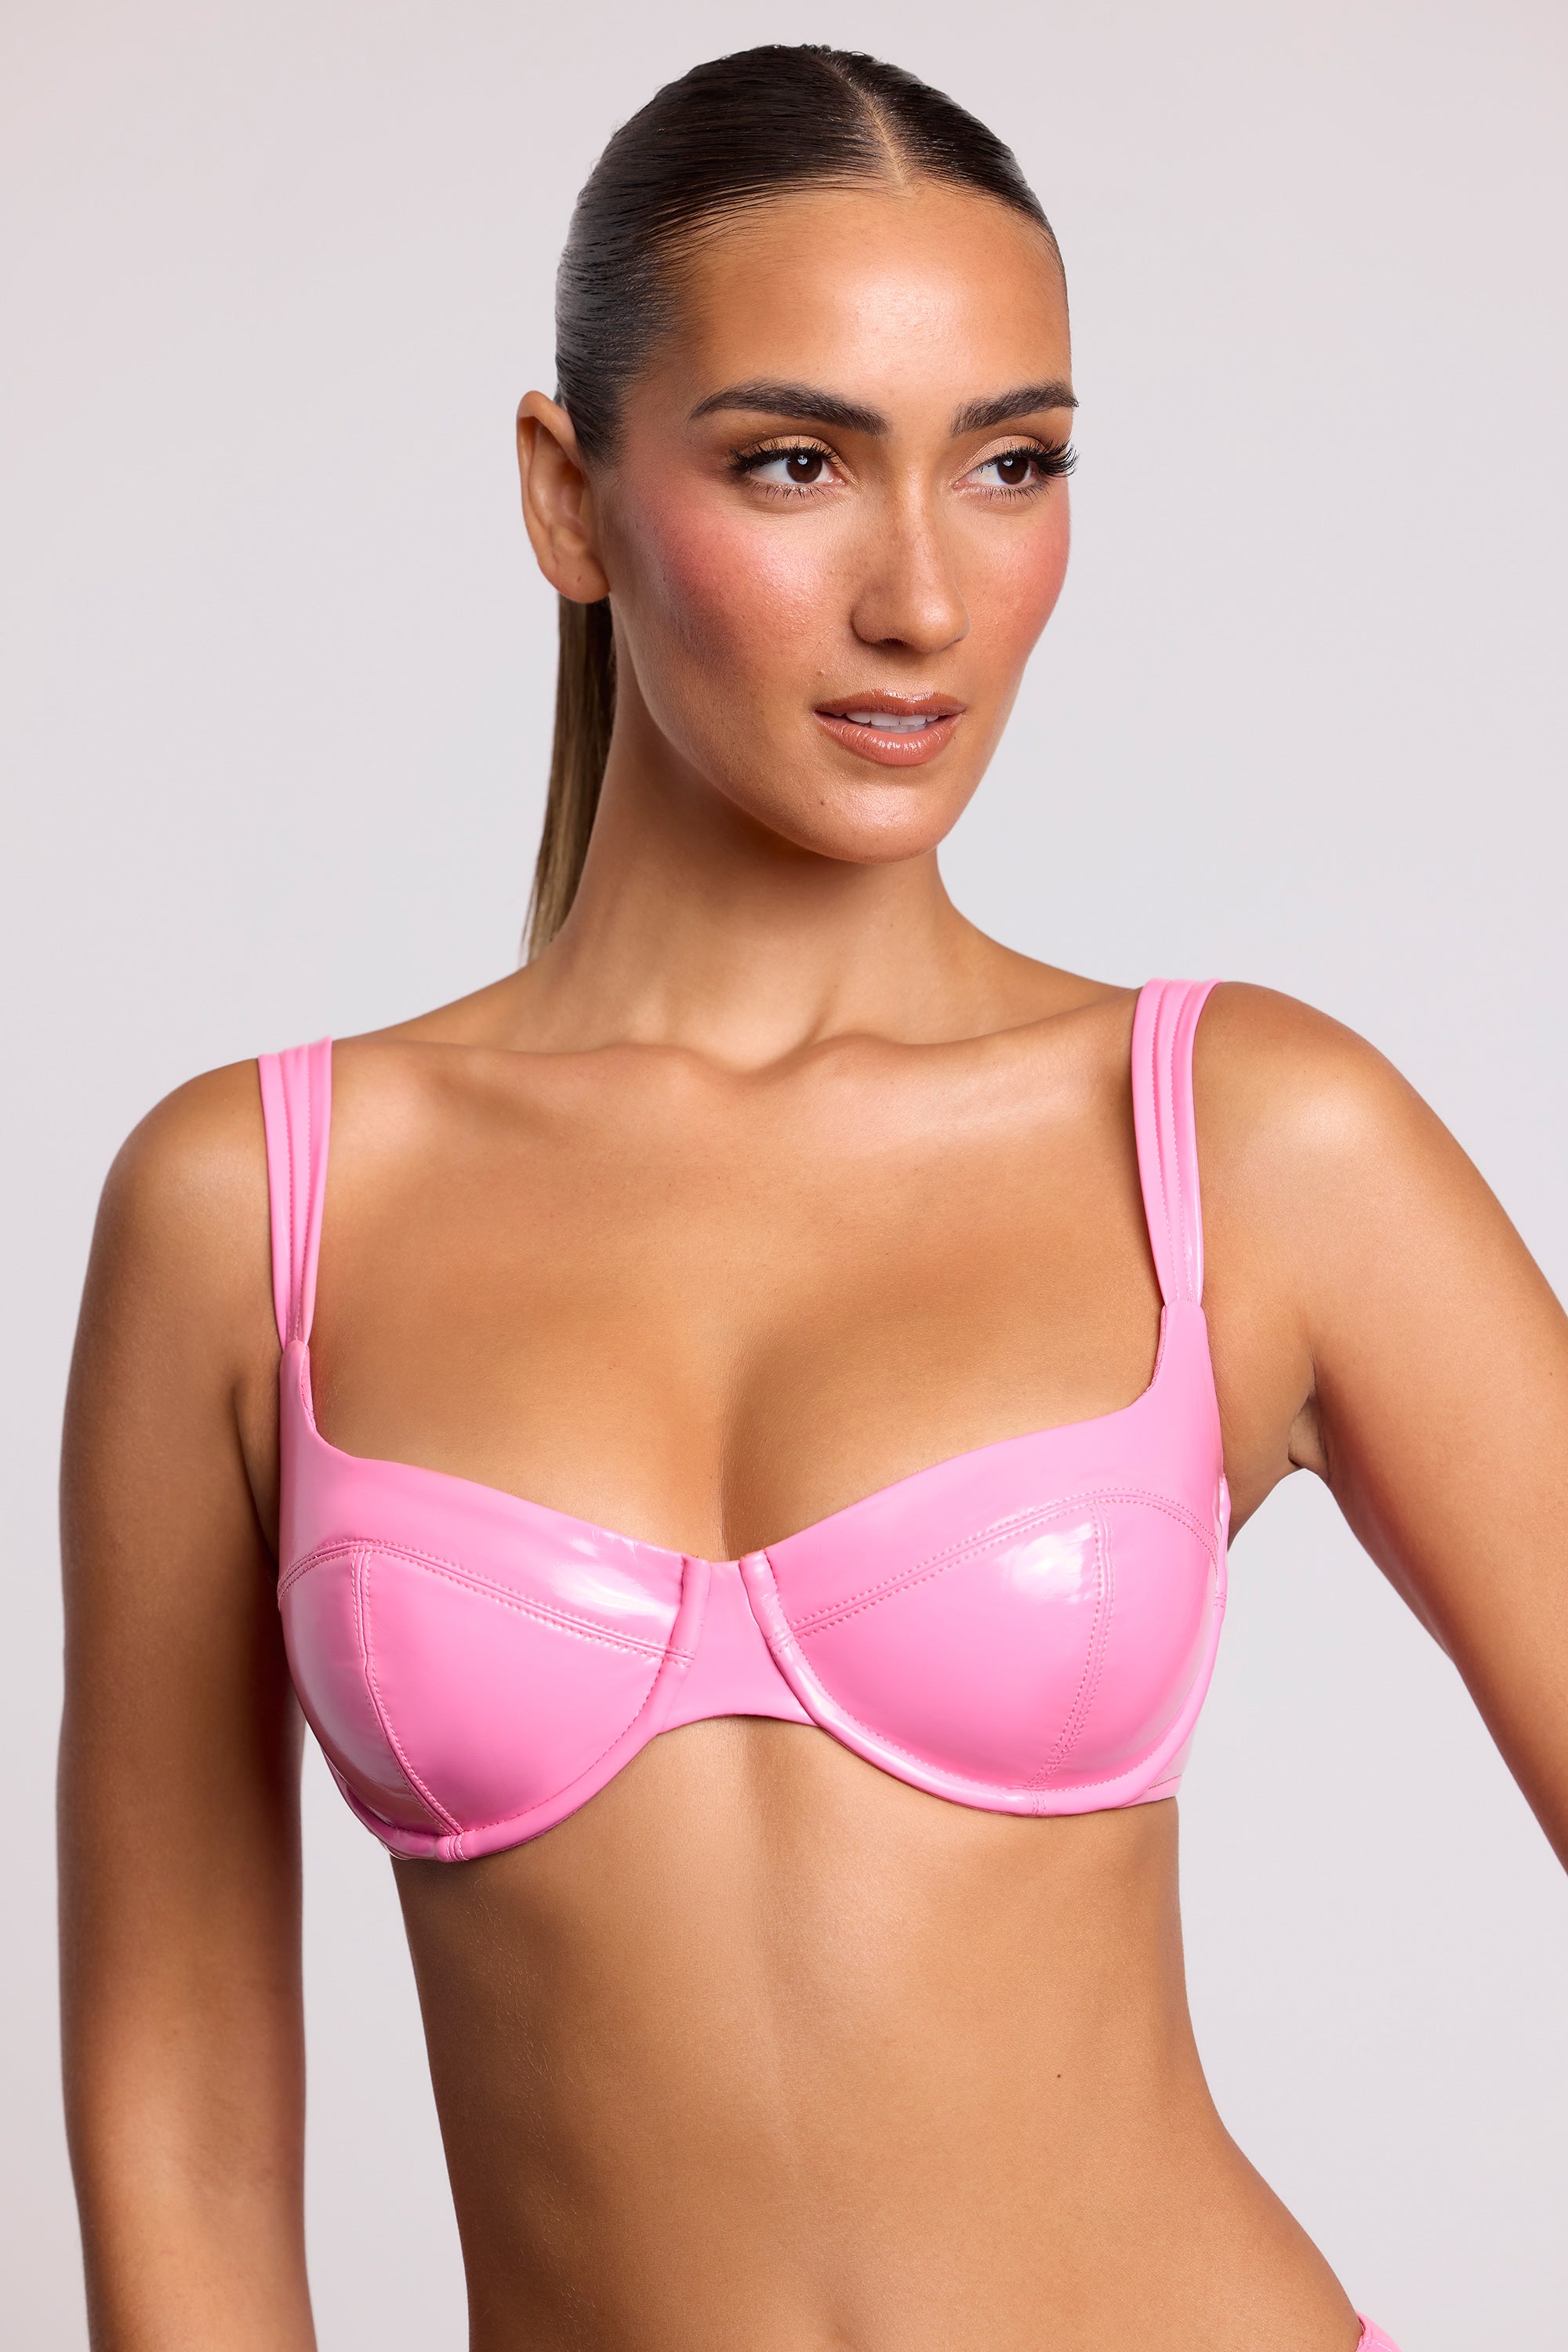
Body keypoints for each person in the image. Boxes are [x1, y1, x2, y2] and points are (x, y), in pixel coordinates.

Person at [57, 43, 1565, 2352]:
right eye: (797, 462)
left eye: (1013, 464)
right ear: (567, 497)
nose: (924, 599)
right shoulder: (252, 1205)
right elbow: (180, 2125)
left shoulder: (1248, 1140)